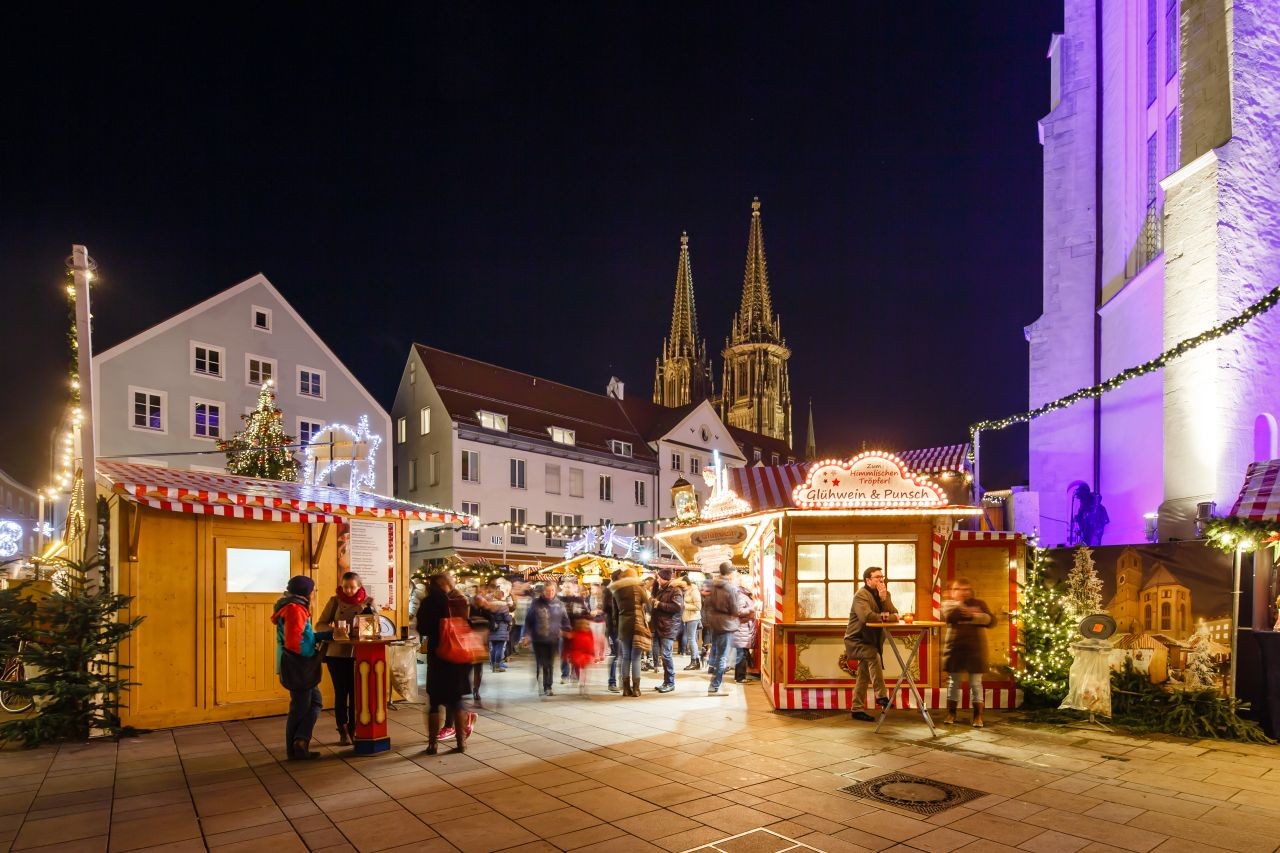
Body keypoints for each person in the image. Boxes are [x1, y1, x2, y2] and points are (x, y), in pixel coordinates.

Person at [416, 571, 475, 754]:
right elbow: (468, 625)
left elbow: (422, 628)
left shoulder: (429, 601)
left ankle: (432, 744)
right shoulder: (459, 601)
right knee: (457, 702)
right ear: (445, 582)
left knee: (434, 702)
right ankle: (461, 743)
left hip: (438, 656)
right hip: (458, 657)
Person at [315, 571, 374, 745]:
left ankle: (355, 729)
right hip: (337, 653)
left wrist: (367, 617)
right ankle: (343, 730)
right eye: (345, 586)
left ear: (359, 586)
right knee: (341, 693)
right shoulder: (335, 601)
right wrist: (335, 631)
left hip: (359, 653)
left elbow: (376, 625)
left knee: (356, 693)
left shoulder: (368, 602)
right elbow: (319, 624)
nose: (348, 590)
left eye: (352, 587)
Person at [271, 575, 325, 760]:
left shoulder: (291, 605)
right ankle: (295, 750)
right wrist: (309, 659)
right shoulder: (295, 608)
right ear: (306, 592)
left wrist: (322, 636)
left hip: (296, 664)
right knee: (300, 707)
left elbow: (303, 635)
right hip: (300, 665)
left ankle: (300, 742)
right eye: (312, 590)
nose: (313, 593)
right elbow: (295, 641)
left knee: (313, 702)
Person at [844, 566, 898, 722]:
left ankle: (856, 709)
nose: (881, 580)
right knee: (873, 657)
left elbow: (895, 613)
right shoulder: (861, 595)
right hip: (856, 640)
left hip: (871, 641)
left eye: (882, 577)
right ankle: (881, 696)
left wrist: (883, 599)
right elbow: (866, 617)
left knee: (863, 675)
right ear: (868, 580)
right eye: (877, 577)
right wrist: (887, 616)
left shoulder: (885, 594)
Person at [941, 577, 994, 728]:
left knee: (976, 684)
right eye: (959, 589)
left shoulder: (979, 604)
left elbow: (991, 621)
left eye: (966, 589)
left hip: (974, 650)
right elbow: (951, 617)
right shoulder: (948, 604)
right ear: (953, 591)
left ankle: (978, 716)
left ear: (970, 590)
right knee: (953, 683)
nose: (963, 592)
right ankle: (951, 713)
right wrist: (971, 613)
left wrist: (972, 615)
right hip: (955, 649)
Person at [523, 582, 571, 696]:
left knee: (549, 663)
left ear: (555, 591)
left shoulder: (559, 604)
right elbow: (528, 620)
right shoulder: (536, 603)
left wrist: (566, 630)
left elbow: (565, 620)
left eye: (552, 591)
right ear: (543, 591)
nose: (550, 593)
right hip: (538, 638)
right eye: (547, 591)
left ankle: (547, 686)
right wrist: (526, 635)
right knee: (542, 662)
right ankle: (541, 678)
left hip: (553, 638)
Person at [610, 566, 651, 697]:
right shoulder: (639, 589)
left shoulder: (616, 591)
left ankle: (626, 689)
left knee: (626, 657)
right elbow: (649, 606)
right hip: (638, 625)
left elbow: (614, 614)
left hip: (624, 626)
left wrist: (618, 627)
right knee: (636, 658)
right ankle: (636, 689)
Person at [702, 563, 742, 696]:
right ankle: (714, 686)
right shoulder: (730, 588)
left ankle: (714, 676)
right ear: (730, 573)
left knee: (718, 652)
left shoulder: (712, 586)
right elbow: (735, 610)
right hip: (725, 624)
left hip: (714, 623)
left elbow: (706, 604)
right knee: (723, 657)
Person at [650, 568, 684, 693]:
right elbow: (654, 596)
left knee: (666, 655)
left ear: (664, 578)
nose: (658, 580)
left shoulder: (675, 590)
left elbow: (676, 607)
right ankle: (666, 681)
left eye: (659, 578)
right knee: (664, 655)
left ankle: (670, 682)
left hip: (669, 626)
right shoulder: (662, 589)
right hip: (661, 625)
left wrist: (659, 604)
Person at [732, 577, 761, 683]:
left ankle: (739, 676)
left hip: (743, 628)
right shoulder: (741, 596)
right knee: (741, 653)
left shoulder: (743, 596)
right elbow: (738, 612)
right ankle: (740, 677)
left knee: (743, 653)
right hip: (741, 628)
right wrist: (752, 608)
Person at [603, 569, 622, 693]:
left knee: (621, 654)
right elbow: (610, 609)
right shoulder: (611, 590)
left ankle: (620, 680)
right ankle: (612, 681)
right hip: (614, 627)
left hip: (620, 626)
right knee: (617, 654)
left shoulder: (617, 590)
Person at [680, 572, 703, 671]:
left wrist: (684, 605)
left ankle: (694, 661)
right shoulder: (688, 590)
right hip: (689, 618)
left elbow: (698, 607)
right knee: (692, 639)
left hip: (693, 618)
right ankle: (696, 661)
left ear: (686, 583)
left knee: (691, 639)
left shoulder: (694, 591)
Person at [487, 589, 513, 673]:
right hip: (501, 628)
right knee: (499, 648)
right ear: (501, 596)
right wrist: (510, 617)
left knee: (493, 647)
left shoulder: (489, 605)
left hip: (492, 628)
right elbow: (506, 618)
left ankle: (492, 665)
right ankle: (497, 666)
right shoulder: (503, 605)